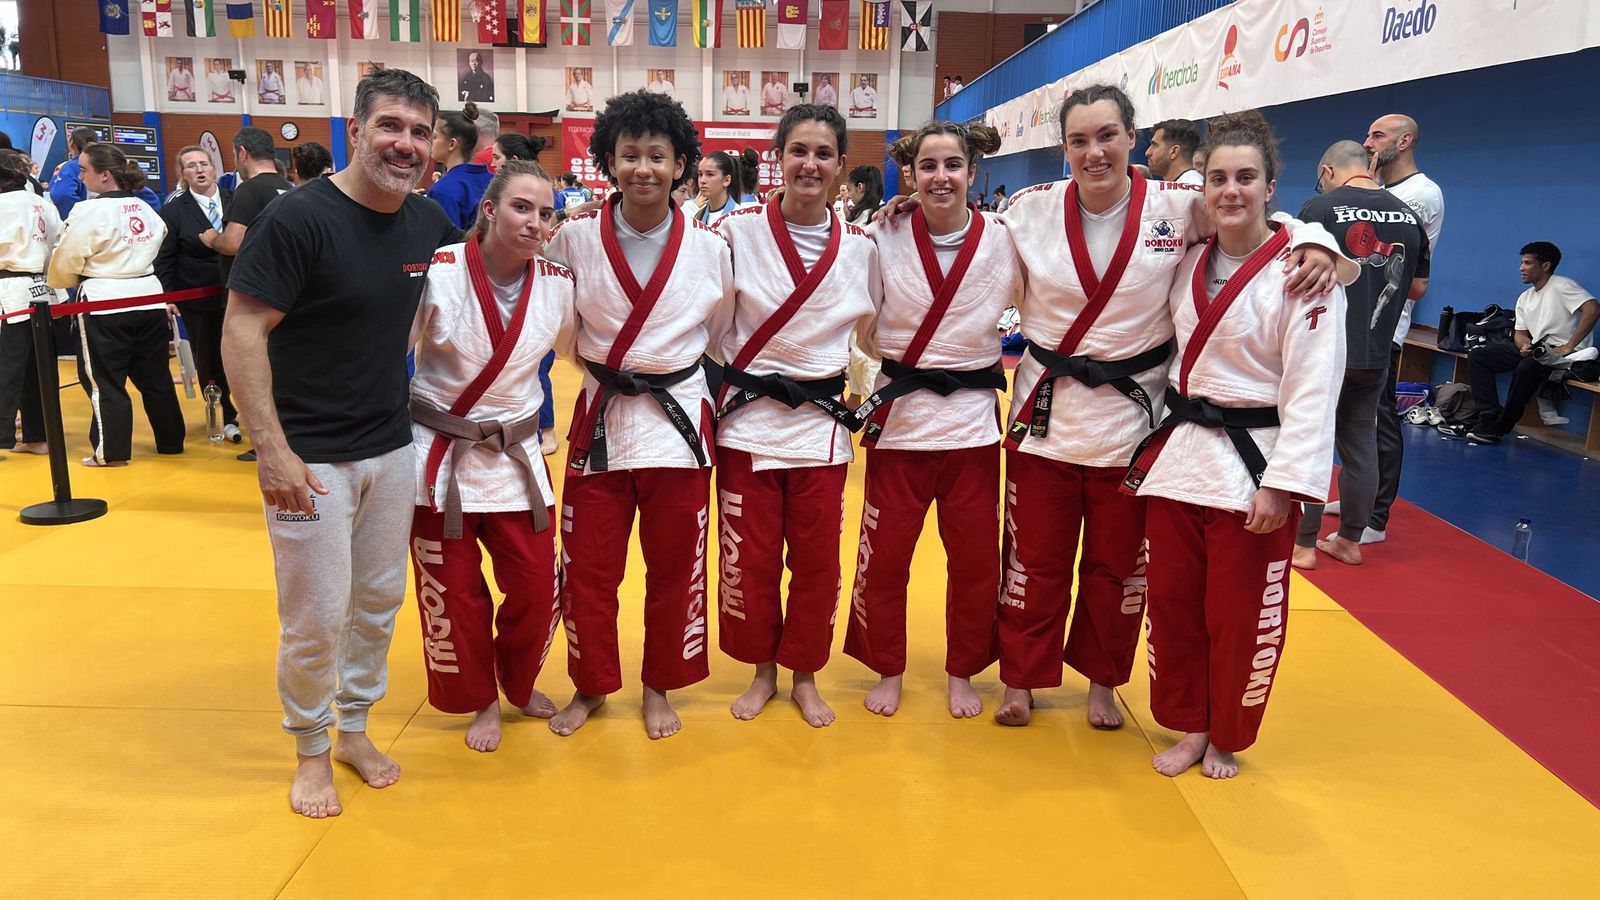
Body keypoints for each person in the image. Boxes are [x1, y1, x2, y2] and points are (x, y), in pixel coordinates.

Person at [879, 83, 1343, 730]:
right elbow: (963, 234)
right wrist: (911, 206)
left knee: (1117, 567)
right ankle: (1022, 679)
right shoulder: (1030, 210)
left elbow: (1254, 217)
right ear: (1063, 148)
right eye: (1078, 140)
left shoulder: (1178, 207)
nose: (1094, 152)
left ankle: (1102, 682)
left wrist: (1317, 240)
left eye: (1106, 137)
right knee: (1031, 562)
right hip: (1048, 416)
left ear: (1133, 138)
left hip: (1134, 422)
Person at [221, 68, 462, 819]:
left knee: (378, 603)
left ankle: (354, 728)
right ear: (354, 131)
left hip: (392, 447)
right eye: (391, 126)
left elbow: (450, 311)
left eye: (420, 132)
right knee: (317, 616)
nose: (406, 144)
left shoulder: (427, 226)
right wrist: (272, 450)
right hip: (310, 454)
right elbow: (241, 330)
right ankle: (311, 749)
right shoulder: (299, 219)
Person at [1126, 110, 1348, 780]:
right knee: (1173, 607)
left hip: (1253, 464)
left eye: (1246, 178)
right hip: (1182, 456)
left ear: (1271, 186)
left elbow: (1314, 387)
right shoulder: (1188, 260)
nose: (1230, 190)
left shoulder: (1305, 274)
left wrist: (1285, 482)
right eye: (1218, 178)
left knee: (1241, 614)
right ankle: (1192, 725)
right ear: (1203, 188)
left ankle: (1227, 732)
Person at [541, 89, 734, 740]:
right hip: (602, 416)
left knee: (674, 567)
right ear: (608, 161)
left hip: (678, 423)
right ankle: (591, 685)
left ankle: (659, 686)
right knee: (590, 567)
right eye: (629, 155)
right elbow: (560, 330)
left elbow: (720, 329)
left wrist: (661, 370)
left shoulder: (709, 247)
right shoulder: (571, 239)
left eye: (658, 155)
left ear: (681, 164)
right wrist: (605, 371)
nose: (643, 168)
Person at [844, 122, 1019, 718]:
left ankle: (962, 670)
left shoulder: (1004, 236)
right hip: (901, 421)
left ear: (973, 172)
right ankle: (889, 666)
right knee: (885, 556)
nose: (940, 177)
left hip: (972, 426)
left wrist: (1307, 233)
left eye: (952, 166)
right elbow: (860, 317)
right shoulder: (879, 234)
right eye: (928, 167)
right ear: (910, 175)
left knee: (972, 561)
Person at [713, 104, 879, 728]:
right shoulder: (734, 231)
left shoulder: (863, 243)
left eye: (824, 154)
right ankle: (761, 672)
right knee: (748, 557)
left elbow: (873, 331)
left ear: (841, 167)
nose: (811, 164)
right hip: (748, 418)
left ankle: (805, 674)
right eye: (799, 151)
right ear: (778, 157)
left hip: (822, 422)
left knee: (815, 561)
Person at [408, 160, 575, 752]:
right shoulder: (440, 272)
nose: (534, 222)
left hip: (515, 457)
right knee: (455, 593)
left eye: (545, 213)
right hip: (441, 454)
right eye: (520, 207)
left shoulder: (558, 283)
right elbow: (389, 350)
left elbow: (590, 349)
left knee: (535, 584)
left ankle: (520, 681)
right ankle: (481, 699)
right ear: (489, 210)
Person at [1291, 141, 1428, 571]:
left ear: (1328, 170)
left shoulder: (1321, 207)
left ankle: (1304, 545)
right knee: (1360, 442)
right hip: (1377, 349)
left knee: (1311, 441)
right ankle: (1350, 540)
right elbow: (1418, 288)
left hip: (1326, 347)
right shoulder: (1409, 216)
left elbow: (1293, 272)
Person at [46, 142, 184, 467]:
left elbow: (66, 257)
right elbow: (159, 238)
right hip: (148, 297)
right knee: (155, 376)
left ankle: (112, 453)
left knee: (104, 379)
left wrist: (69, 281)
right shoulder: (145, 207)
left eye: (84, 170)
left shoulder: (89, 211)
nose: (80, 176)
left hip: (105, 301)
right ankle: (171, 441)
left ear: (105, 175)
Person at [1347, 112, 1445, 543]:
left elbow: (1399, 266)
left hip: (1385, 325)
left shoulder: (1422, 194)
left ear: (1404, 141)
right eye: (1367, 134)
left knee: (1381, 418)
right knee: (1351, 419)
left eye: (1378, 135)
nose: (1368, 143)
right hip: (1354, 322)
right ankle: (1356, 500)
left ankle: (1376, 517)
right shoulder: (1383, 191)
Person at [1439, 243, 1598, 445]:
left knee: (1527, 367)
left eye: (1528, 263)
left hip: (1569, 354)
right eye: (1521, 262)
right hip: (1539, 350)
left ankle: (1500, 427)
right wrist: (1523, 345)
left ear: (1546, 265)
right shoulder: (1525, 297)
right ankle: (1489, 414)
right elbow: (1520, 333)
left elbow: (1592, 308)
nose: (1521, 268)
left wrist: (1568, 346)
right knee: (1479, 356)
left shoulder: (1562, 285)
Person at [204, 127, 292, 448]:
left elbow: (233, 242)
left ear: (242, 153)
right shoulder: (289, 188)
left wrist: (212, 238)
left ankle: (267, 443)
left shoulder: (249, 190)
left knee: (254, 368)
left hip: (254, 296)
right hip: (287, 292)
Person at [155, 145, 239, 442]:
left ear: (214, 168)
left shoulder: (235, 201)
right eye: (191, 166)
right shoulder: (174, 210)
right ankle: (223, 413)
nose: (200, 170)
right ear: (183, 174)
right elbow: (165, 257)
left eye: (204, 163)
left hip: (239, 291)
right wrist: (167, 296)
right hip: (198, 296)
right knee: (209, 355)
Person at [0, 149, 62, 457]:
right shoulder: (43, 203)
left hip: (9, 288)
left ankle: (1, 436)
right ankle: (39, 436)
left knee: (7, 367)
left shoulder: (2, 205)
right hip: (42, 288)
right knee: (39, 367)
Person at [428, 103, 493, 230]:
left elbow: (446, 242)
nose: (430, 141)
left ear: (452, 144)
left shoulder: (443, 190)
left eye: (435, 137)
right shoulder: (494, 179)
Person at [48, 126, 97, 220]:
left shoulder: (70, 167)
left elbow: (62, 194)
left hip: (80, 225)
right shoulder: (107, 163)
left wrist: (74, 218)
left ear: (71, 143)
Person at [687, 150, 741, 224]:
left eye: (710, 174)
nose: (702, 180)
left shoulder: (740, 217)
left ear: (726, 180)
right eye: (700, 174)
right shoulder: (696, 215)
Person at [1146, 119, 1203, 186]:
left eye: (1154, 145)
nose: (1147, 152)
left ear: (1173, 151)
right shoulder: (1189, 185)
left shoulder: (1192, 189)